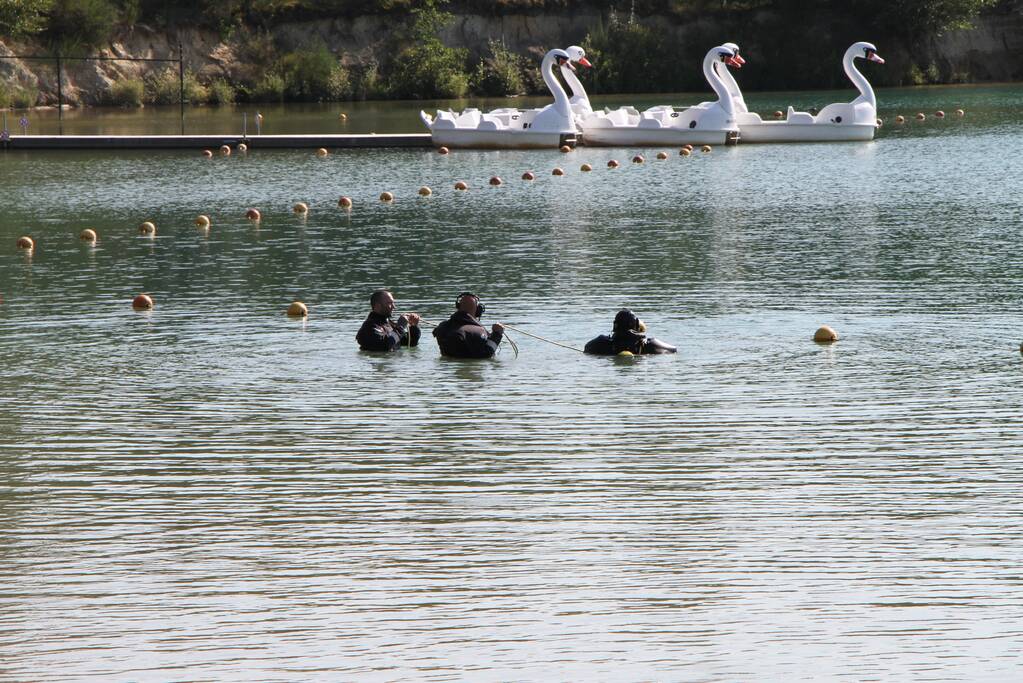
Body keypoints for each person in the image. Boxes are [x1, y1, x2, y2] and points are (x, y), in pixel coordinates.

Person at [433, 292, 504, 358]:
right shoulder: (479, 331)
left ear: (458, 307)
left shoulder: (442, 327)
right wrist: (497, 334)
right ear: (478, 310)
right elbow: (487, 354)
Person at [584, 309, 677, 355]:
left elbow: (586, 349)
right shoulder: (649, 345)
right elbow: (673, 349)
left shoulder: (602, 343)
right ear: (635, 325)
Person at [356, 289, 421, 351]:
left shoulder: (389, 324)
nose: (394, 307)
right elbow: (385, 345)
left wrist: (414, 326)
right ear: (378, 305)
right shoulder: (369, 327)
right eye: (389, 303)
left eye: (393, 303)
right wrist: (400, 327)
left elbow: (410, 343)